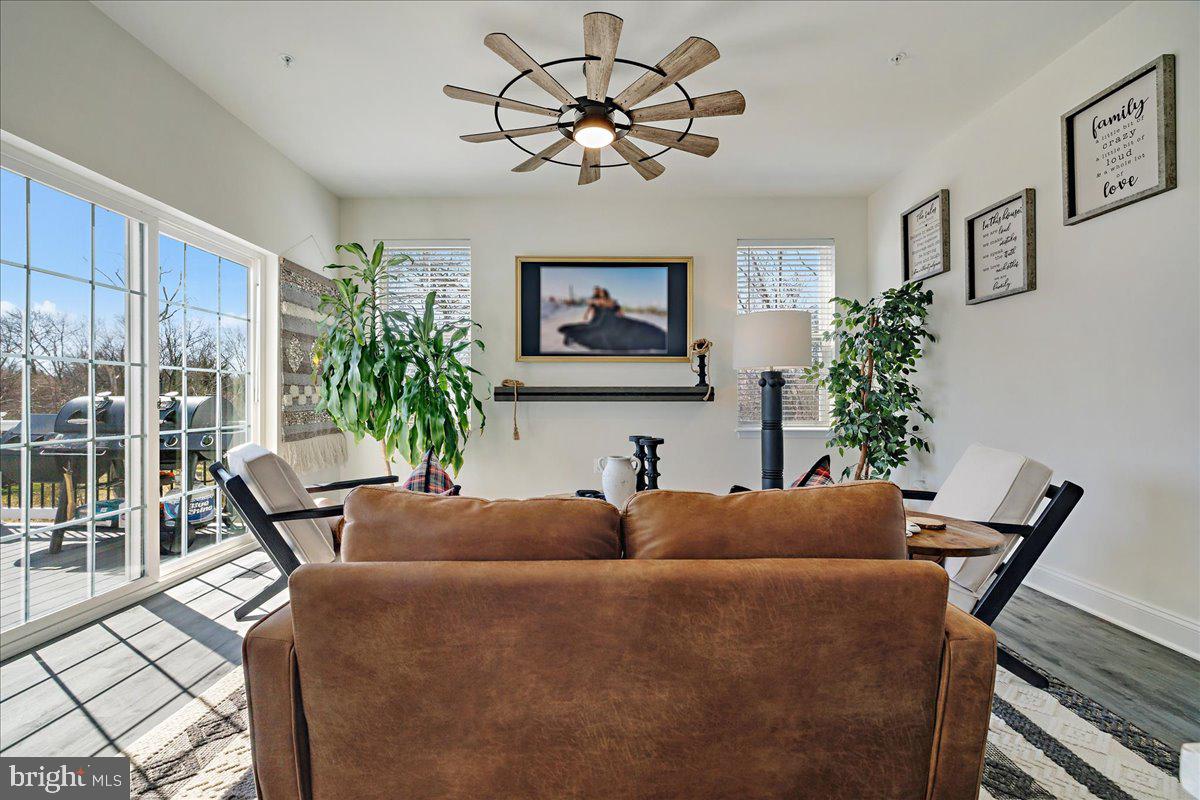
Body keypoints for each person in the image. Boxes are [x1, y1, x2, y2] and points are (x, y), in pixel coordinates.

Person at [559, 286, 666, 352]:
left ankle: (571, 333)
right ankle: (572, 333)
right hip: (607, 323)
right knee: (595, 333)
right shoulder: (605, 302)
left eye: (600, 293)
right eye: (599, 293)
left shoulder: (607, 302)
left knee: (636, 331)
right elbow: (619, 312)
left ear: (603, 294)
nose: (599, 296)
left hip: (613, 322)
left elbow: (620, 312)